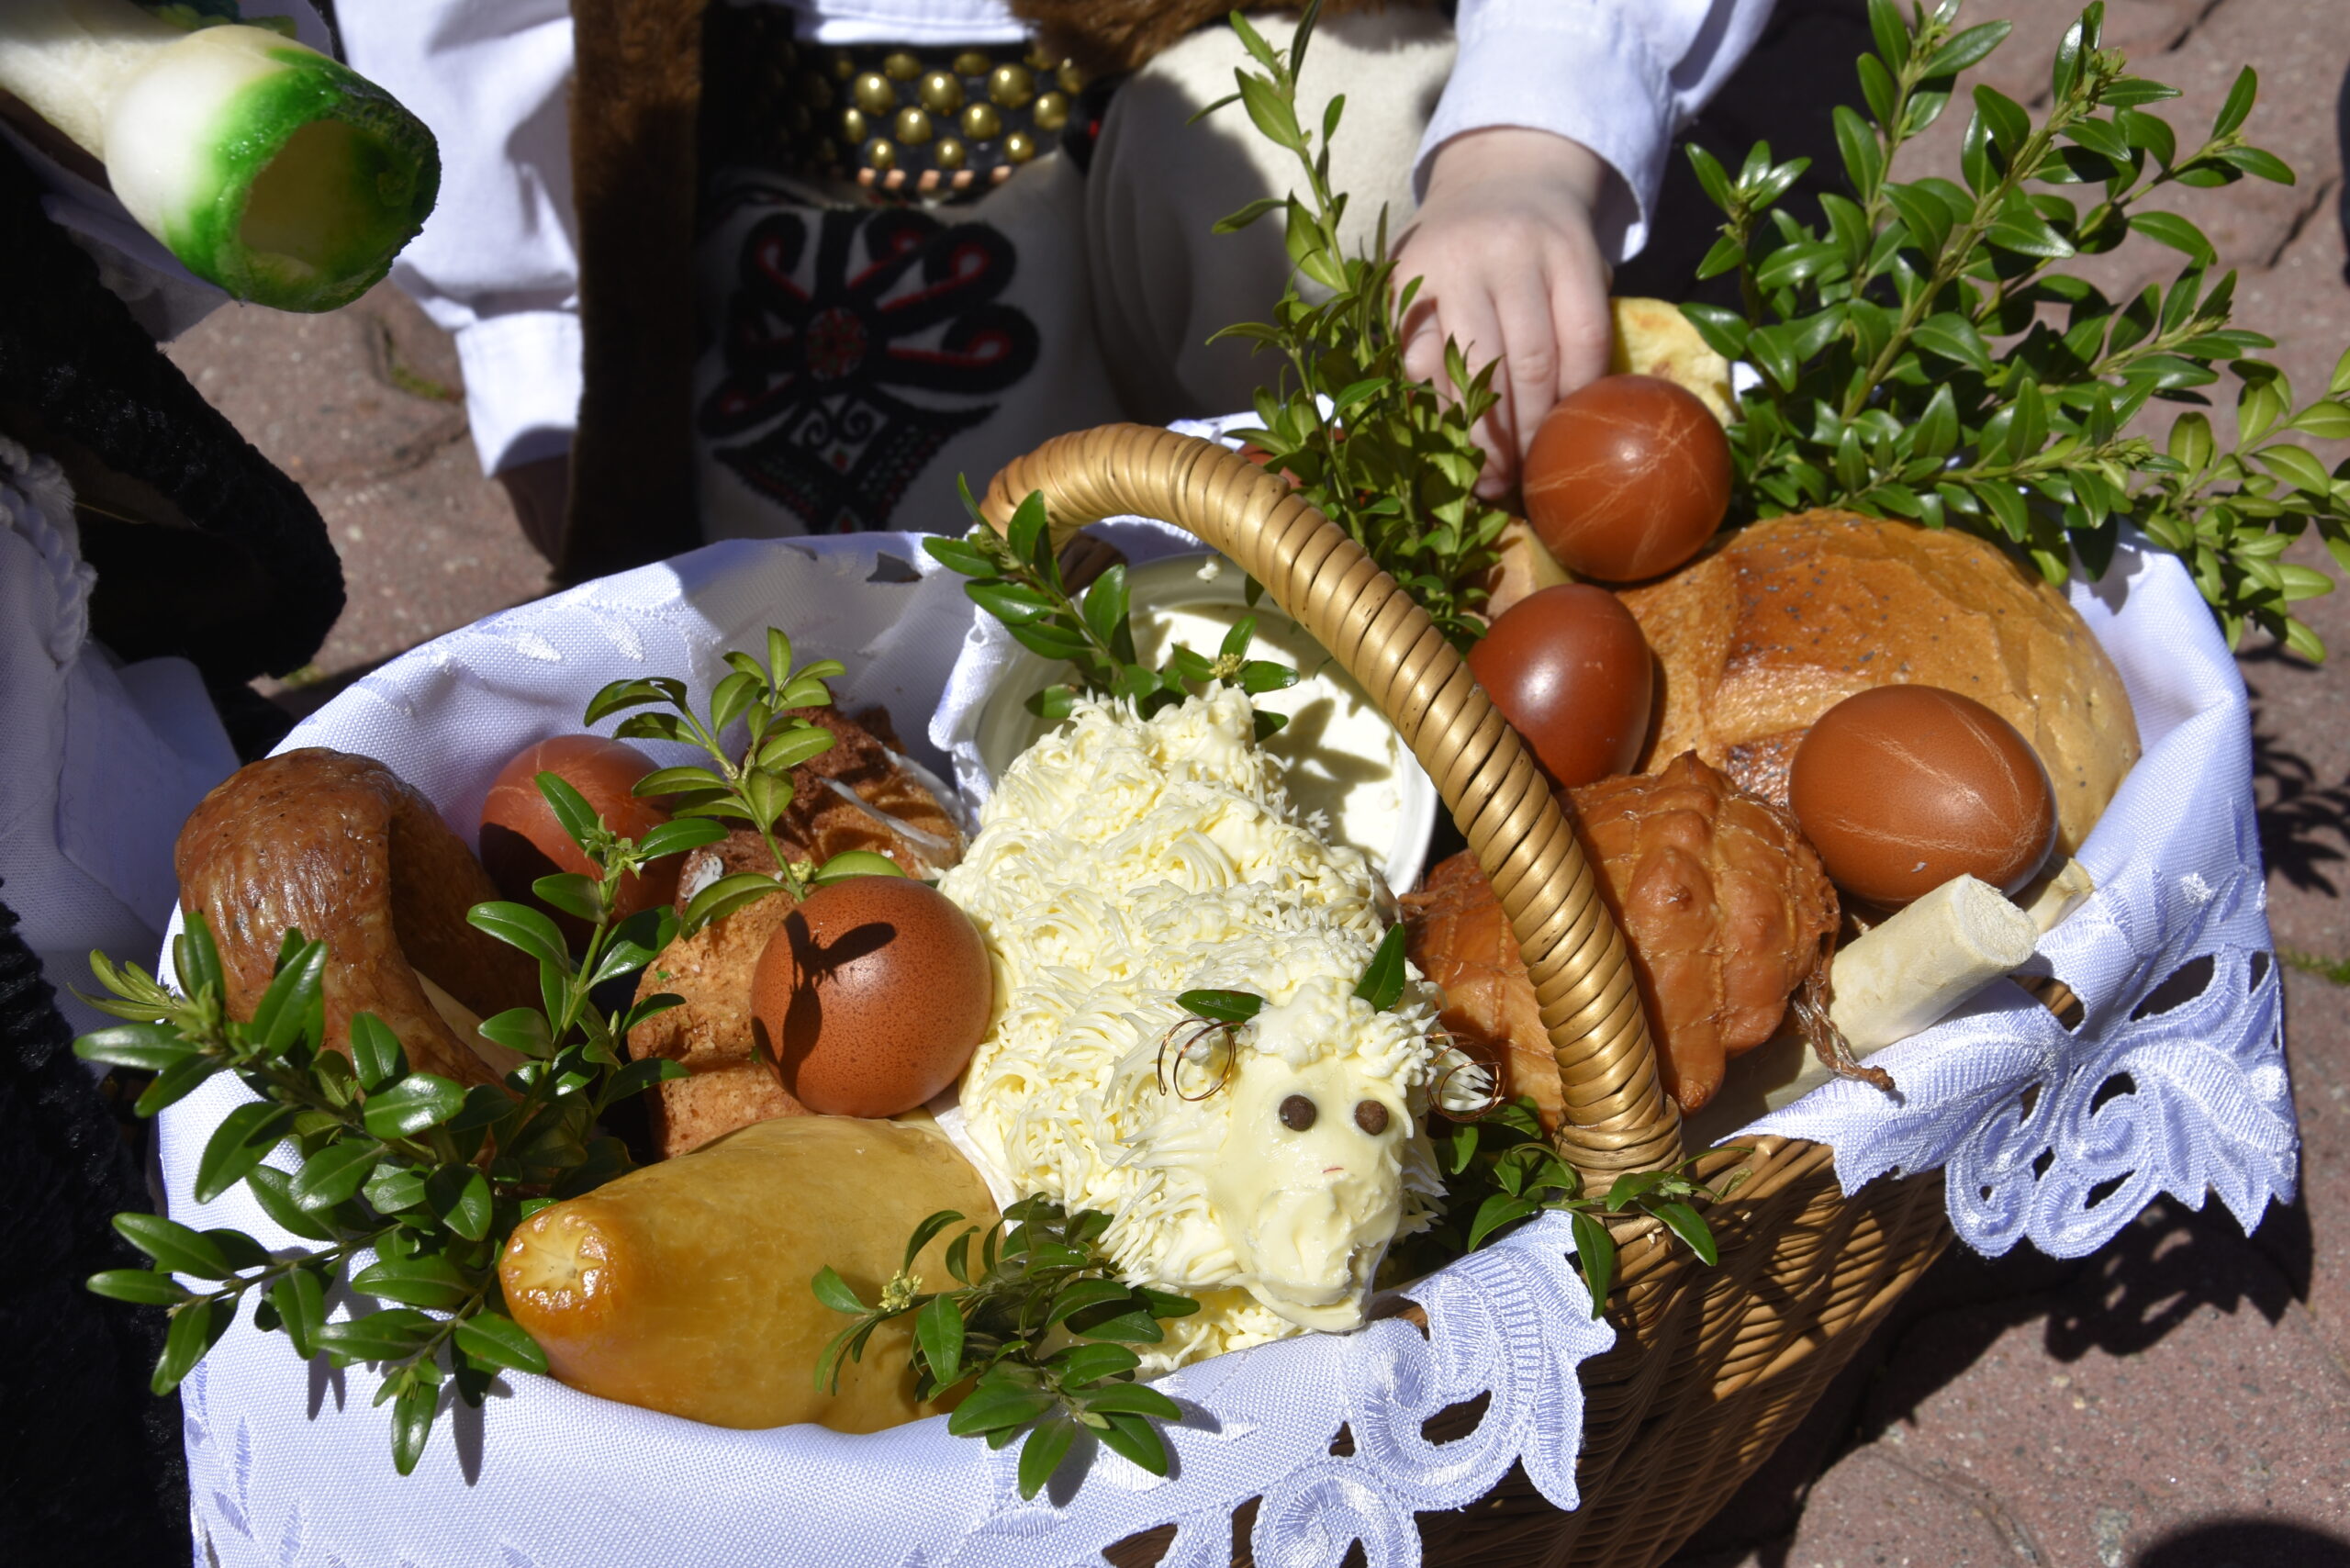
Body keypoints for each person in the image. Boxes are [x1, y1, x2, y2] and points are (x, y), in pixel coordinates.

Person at [337, 0, 1774, 566]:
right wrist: (544, 339)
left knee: (1358, 190)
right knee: (867, 684)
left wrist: (1531, 134)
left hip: (1236, 92)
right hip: (814, 198)